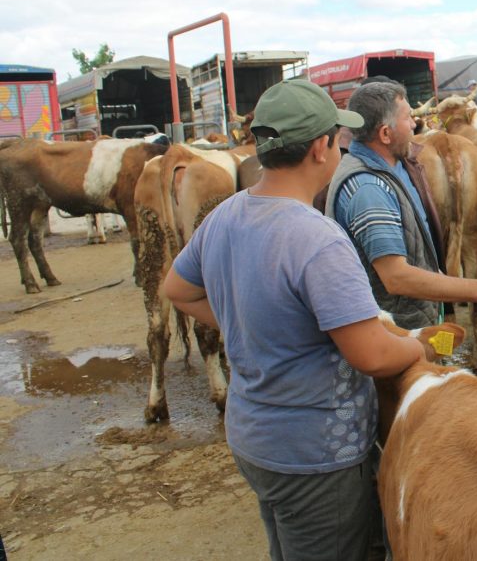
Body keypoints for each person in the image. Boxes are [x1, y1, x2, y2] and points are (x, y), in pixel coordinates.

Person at [164, 79, 435, 560]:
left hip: (254, 437)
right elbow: (371, 354)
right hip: (314, 453)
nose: (342, 146)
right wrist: (420, 346)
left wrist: (244, 323)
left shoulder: (226, 215)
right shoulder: (318, 239)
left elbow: (178, 290)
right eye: (338, 137)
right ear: (319, 148)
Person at [324, 81, 477, 331]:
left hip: (410, 326)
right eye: (408, 118)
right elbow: (397, 278)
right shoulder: (369, 190)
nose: (415, 125)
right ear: (385, 134)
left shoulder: (393, 167)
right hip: (397, 336)